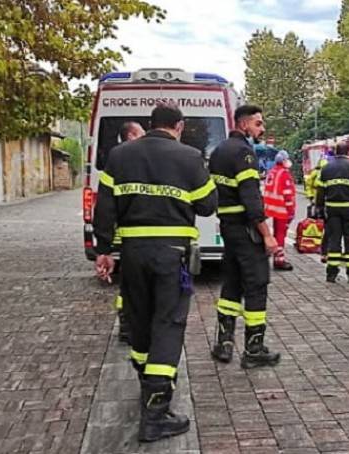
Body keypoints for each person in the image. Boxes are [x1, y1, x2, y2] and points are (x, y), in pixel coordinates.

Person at [93, 103, 217, 442]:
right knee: (168, 322)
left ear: (150, 125)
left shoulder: (119, 156)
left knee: (140, 319)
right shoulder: (189, 157)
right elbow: (207, 206)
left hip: (132, 254)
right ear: (178, 126)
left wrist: (104, 250)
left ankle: (146, 385)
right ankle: (156, 413)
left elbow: (104, 207)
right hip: (172, 255)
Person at [209, 104, 281, 369]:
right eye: (258, 124)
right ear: (243, 125)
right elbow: (251, 200)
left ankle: (224, 342)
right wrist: (268, 235)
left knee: (232, 283)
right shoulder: (244, 153)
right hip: (246, 229)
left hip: (228, 228)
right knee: (257, 284)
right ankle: (254, 348)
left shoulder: (218, 151)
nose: (262, 129)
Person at [316, 143, 349, 284]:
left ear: (335, 152)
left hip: (332, 210)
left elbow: (320, 191)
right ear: (348, 152)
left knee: (334, 240)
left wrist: (319, 208)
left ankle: (331, 273)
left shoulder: (327, 168)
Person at [112, 121, 146, 344]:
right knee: (132, 284)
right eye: (142, 132)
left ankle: (126, 324)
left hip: (123, 234)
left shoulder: (117, 157)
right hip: (132, 233)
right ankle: (129, 324)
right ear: (132, 135)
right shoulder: (134, 159)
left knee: (127, 282)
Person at [263, 150, 297, 271]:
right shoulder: (284, 174)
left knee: (277, 233)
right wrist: (290, 210)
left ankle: (275, 256)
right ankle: (279, 259)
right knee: (281, 234)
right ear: (283, 161)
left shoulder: (272, 172)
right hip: (281, 208)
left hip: (271, 207)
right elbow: (288, 194)